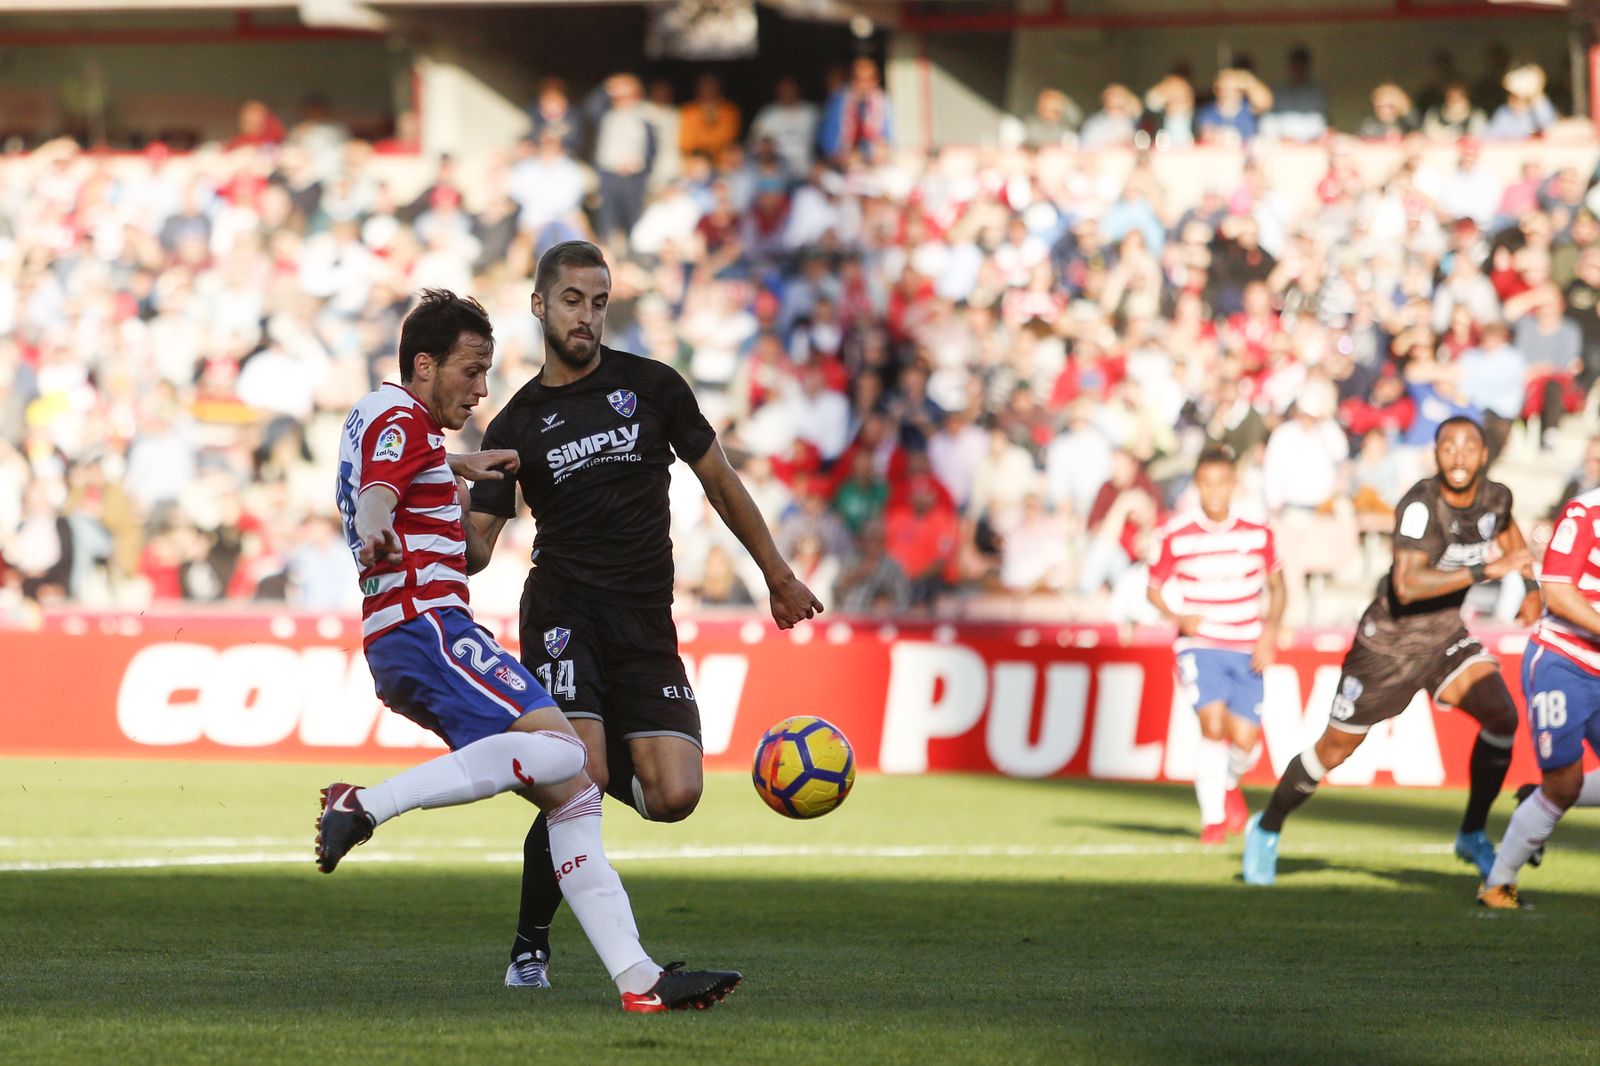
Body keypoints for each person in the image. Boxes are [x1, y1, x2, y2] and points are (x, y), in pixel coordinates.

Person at [318, 289, 740, 1012]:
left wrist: (456, 466)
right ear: (424, 365)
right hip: (429, 628)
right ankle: (365, 804)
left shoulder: (382, 418)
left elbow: (395, 466)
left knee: (572, 796)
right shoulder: (398, 418)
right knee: (568, 756)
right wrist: (383, 516)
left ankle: (641, 982)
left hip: (408, 633)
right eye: (470, 371)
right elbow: (382, 489)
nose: (481, 389)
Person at [466, 242, 822, 989]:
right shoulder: (514, 426)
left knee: (674, 796)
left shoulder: (652, 387)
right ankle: (531, 944)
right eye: (572, 300)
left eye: (599, 302)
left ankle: (566, 776)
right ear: (539, 305)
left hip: (645, 620)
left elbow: (721, 483)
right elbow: (474, 553)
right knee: (581, 775)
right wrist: (435, 483)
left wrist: (778, 576)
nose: (587, 317)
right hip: (563, 612)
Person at [1242, 417, 1541, 886]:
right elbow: (1406, 585)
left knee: (1502, 717)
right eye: (1448, 446)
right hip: (1388, 646)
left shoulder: (1497, 497)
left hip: (1445, 638)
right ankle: (1267, 825)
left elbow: (1508, 533)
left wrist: (1528, 587)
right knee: (1333, 751)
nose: (1458, 455)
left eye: (1469, 447)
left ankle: (1471, 835)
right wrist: (1488, 569)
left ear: (1484, 455)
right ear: (1435, 454)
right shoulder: (1420, 504)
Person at [1149, 448, 1285, 842]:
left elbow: (1278, 587)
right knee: (1211, 726)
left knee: (1244, 740)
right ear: (1197, 485)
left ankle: (1228, 784)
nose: (1213, 492)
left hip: (1247, 646)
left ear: (1233, 485)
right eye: (1206, 484)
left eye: (1221, 483)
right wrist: (1177, 617)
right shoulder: (1175, 534)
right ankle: (1212, 821)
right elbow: (1153, 588)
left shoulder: (1258, 531)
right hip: (1200, 644)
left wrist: (1270, 631)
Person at [1480, 485, 1600, 907]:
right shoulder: (1585, 512)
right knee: (1563, 784)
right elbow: (1559, 594)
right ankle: (1498, 883)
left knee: (1561, 786)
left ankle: (1543, 794)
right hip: (1564, 662)